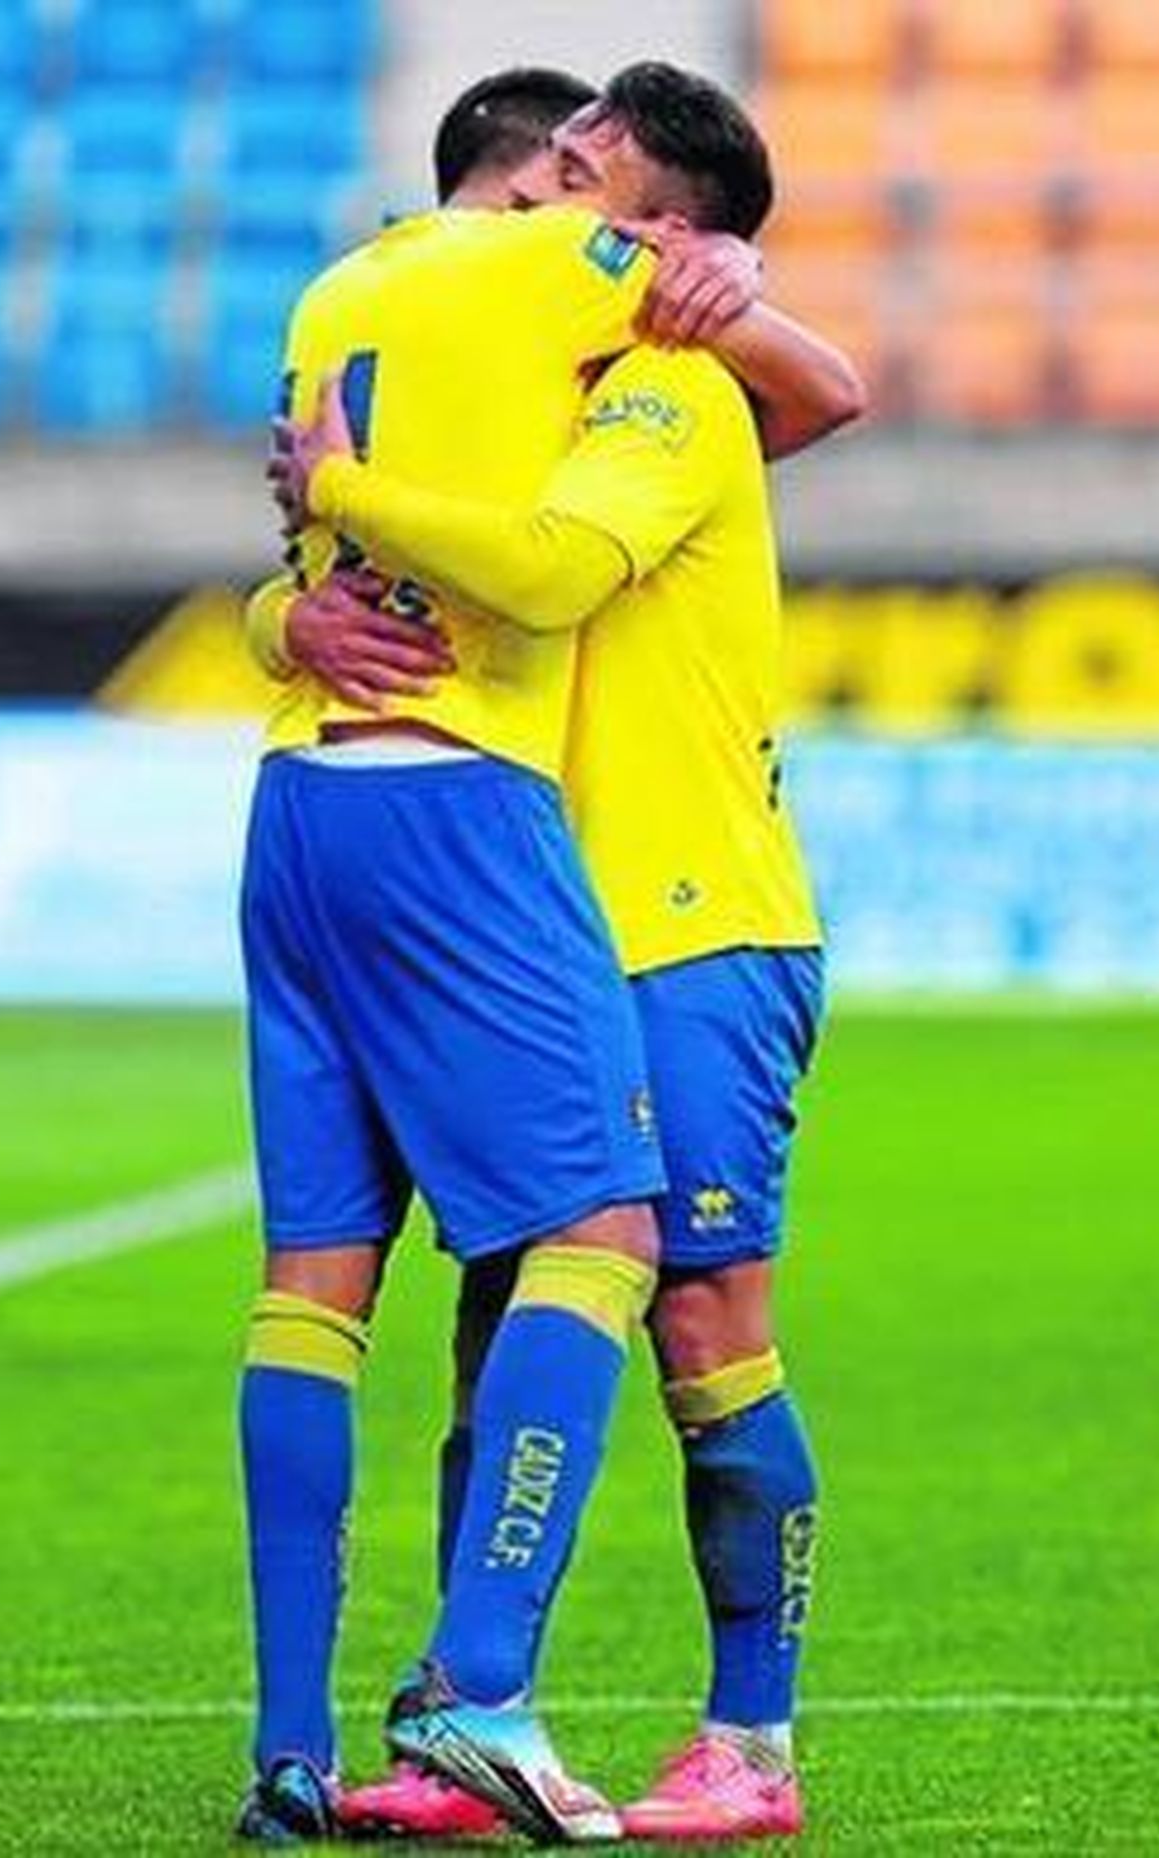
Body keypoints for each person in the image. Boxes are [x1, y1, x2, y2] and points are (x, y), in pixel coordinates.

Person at [263, 61, 861, 1844]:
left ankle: (749, 1739)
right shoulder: (522, 386)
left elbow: (553, 562)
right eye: (549, 170)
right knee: (497, 1316)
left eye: (588, 181)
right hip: (521, 920)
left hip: (690, 921)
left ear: (660, 241)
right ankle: (462, 1709)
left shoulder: (679, 391)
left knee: (699, 1311)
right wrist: (278, 602)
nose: (543, 199)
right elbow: (350, 596)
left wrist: (736, 306)